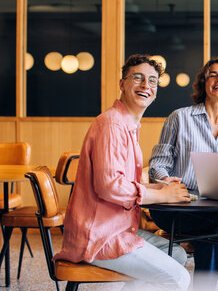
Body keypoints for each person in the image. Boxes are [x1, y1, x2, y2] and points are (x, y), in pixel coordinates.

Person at [54, 54, 191, 291]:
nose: (146, 86)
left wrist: (158, 187)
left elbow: (123, 182)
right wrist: (164, 196)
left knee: (177, 255)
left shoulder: (128, 125)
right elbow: (110, 186)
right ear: (122, 84)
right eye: (137, 78)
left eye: (152, 81)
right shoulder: (112, 124)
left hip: (117, 229)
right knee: (179, 278)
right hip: (98, 237)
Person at [148, 57, 218, 277]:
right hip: (176, 206)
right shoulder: (179, 117)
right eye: (213, 74)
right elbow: (157, 165)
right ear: (204, 83)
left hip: (214, 208)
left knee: (214, 228)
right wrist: (169, 184)